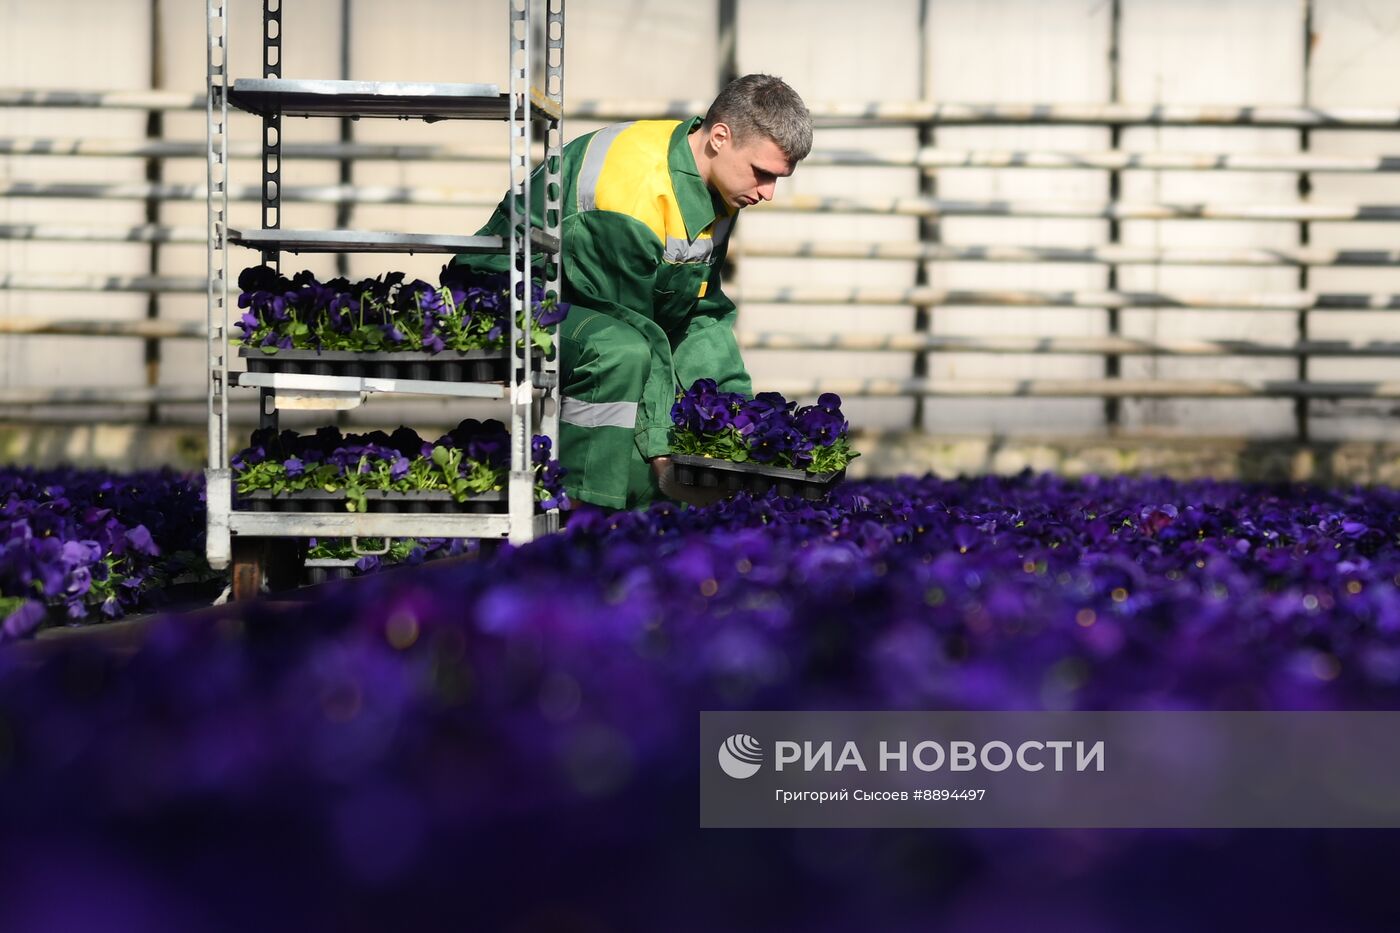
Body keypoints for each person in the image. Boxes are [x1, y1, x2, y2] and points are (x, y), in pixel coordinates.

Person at [453, 73, 812, 509]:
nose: (768, 193)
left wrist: (740, 422)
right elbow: (634, 326)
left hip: (582, 298)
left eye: (778, 179)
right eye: (762, 174)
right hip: (501, 297)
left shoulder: (718, 186)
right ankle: (584, 513)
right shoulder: (633, 193)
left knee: (658, 388)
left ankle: (633, 519)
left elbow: (698, 312)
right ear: (720, 137)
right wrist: (662, 450)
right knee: (619, 353)